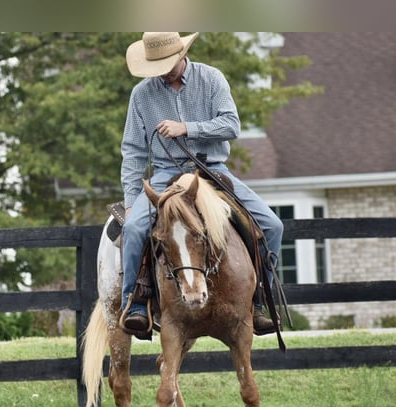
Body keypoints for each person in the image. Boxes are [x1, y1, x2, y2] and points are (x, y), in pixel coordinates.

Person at [119, 32, 284, 336]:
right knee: (133, 228)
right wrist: (131, 202)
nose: (163, 71)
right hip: (165, 173)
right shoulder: (141, 95)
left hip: (212, 170)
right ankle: (136, 302)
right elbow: (133, 151)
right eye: (157, 65)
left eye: (168, 63)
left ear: (182, 54)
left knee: (273, 226)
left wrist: (187, 128)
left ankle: (259, 299)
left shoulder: (211, 79)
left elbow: (231, 125)